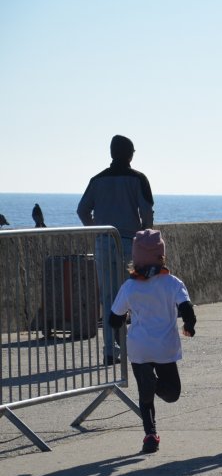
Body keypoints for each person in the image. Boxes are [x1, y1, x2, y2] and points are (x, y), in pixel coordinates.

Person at [108, 230, 196, 454]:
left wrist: (122, 320)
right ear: (161, 256)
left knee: (145, 397)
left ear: (135, 259)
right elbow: (187, 308)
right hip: (164, 348)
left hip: (139, 348)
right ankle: (155, 385)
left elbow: (114, 319)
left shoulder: (129, 286)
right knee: (173, 393)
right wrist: (189, 325)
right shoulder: (173, 283)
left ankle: (150, 435)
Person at [77, 135, 154, 365]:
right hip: (129, 242)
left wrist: (97, 229)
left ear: (111, 153)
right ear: (130, 154)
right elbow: (147, 212)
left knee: (109, 297)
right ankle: (133, 346)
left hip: (103, 241)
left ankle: (110, 350)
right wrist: (144, 233)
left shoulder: (97, 180)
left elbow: (82, 210)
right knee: (132, 295)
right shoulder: (138, 179)